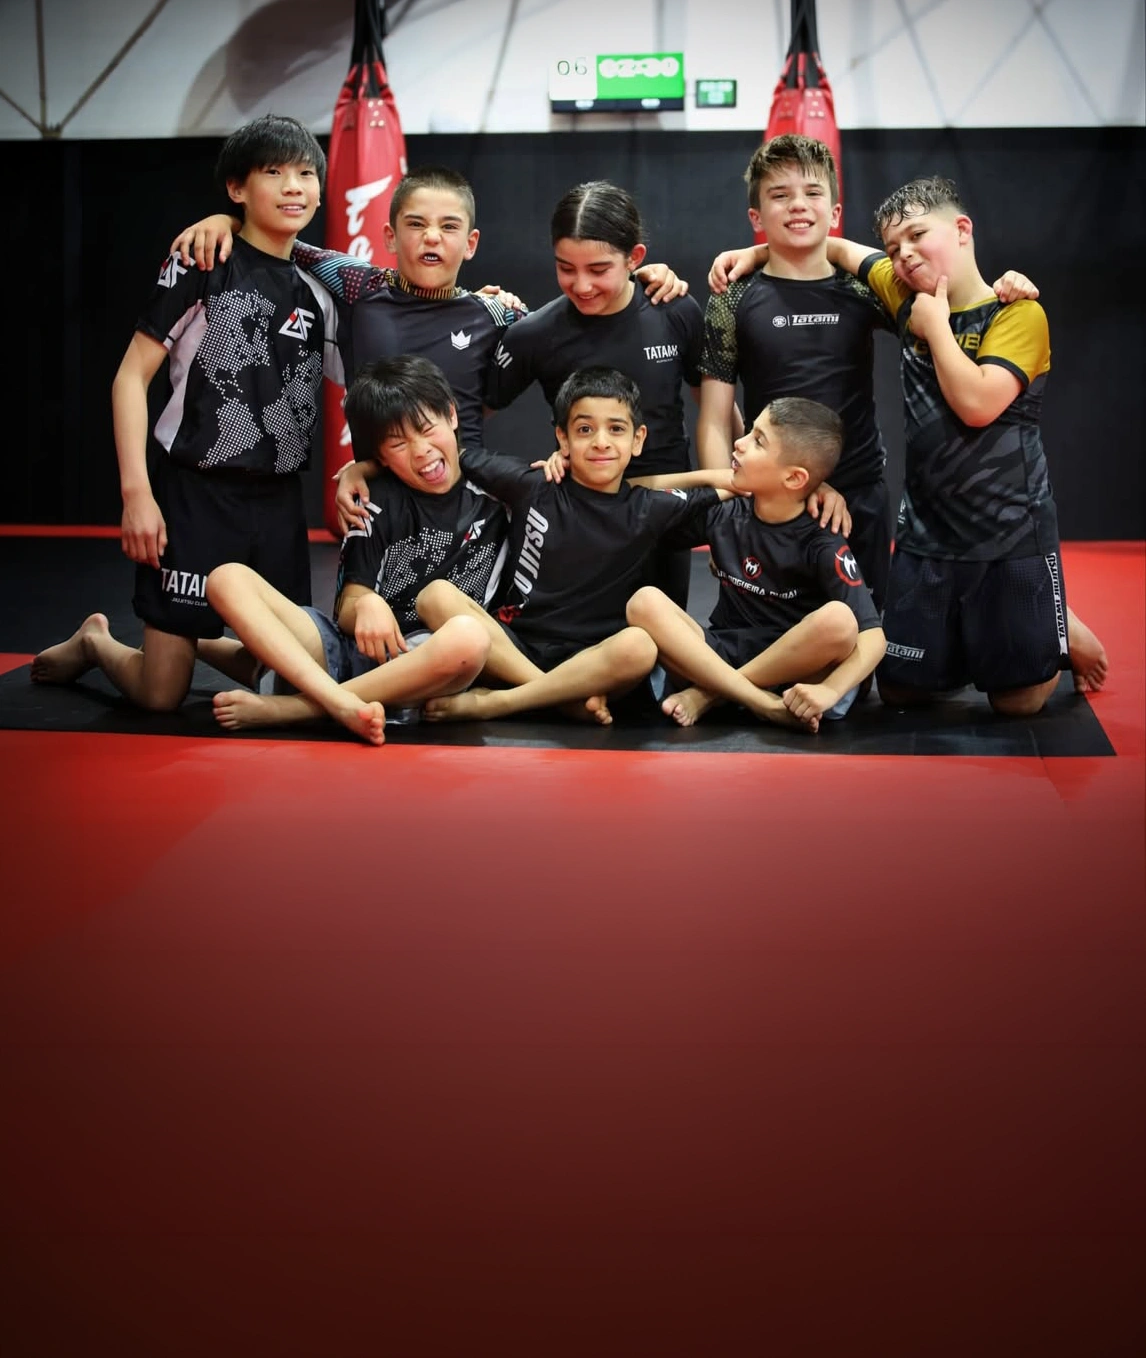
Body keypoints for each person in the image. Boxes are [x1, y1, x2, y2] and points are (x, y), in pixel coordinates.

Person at [727, 175, 1105, 715]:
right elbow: (833, 247)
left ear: (962, 230)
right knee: (902, 690)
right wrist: (756, 252)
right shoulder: (904, 294)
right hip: (928, 531)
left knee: (1017, 706)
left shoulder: (1018, 314)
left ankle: (1058, 624)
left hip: (1009, 533)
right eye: (892, 247)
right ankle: (1003, 633)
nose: (903, 254)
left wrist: (937, 328)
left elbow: (977, 405)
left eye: (917, 235)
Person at [171, 168, 685, 529]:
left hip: (470, 502)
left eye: (448, 227)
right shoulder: (358, 287)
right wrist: (228, 222)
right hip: (380, 500)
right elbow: (283, 242)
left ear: (471, 243)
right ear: (390, 236)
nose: (431, 238)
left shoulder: (498, 314)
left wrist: (644, 278)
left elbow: (579, 331)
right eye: (416, 225)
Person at [31, 114, 342, 710]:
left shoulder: (320, 287)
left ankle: (186, 641)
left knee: (288, 675)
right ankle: (97, 642)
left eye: (306, 173)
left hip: (278, 503)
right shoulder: (202, 260)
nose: (293, 186)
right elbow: (130, 378)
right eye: (273, 172)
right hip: (195, 495)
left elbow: (372, 372)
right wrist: (136, 496)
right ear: (236, 188)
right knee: (161, 695)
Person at [698, 134, 1037, 613]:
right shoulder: (733, 295)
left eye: (812, 193)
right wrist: (723, 515)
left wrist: (1008, 286)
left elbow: (953, 302)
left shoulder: (868, 287)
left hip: (859, 497)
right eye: (780, 195)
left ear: (835, 211)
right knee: (763, 637)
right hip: (769, 500)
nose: (798, 205)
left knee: (861, 640)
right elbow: (715, 417)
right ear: (756, 217)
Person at [204, 356, 509, 745]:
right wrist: (366, 604)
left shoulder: (501, 496)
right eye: (398, 443)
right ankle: (336, 702)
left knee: (469, 638)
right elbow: (348, 606)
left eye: (426, 429)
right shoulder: (372, 499)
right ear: (379, 456)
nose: (421, 451)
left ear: (451, 415)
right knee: (226, 578)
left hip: (429, 669)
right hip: (347, 655)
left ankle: (298, 708)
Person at [415, 367, 730, 725]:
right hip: (514, 650)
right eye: (584, 430)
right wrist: (365, 472)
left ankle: (501, 702)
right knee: (436, 596)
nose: (601, 442)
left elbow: (735, 485)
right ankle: (556, 697)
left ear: (638, 439)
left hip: (593, 664)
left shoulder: (650, 507)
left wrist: (709, 474)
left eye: (616, 429)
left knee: (640, 646)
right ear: (562, 439)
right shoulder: (532, 484)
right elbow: (448, 455)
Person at [479, 180, 720, 609]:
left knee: (664, 636)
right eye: (566, 268)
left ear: (635, 258)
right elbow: (467, 417)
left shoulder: (676, 311)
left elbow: (716, 412)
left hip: (666, 512)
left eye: (598, 269)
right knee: (587, 641)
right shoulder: (535, 334)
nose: (582, 285)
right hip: (582, 519)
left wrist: (728, 502)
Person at [627, 397, 885, 734]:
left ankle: (712, 695)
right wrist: (716, 476)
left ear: (794, 478)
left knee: (839, 621)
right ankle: (759, 702)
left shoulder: (821, 538)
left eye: (758, 441)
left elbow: (873, 637)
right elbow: (629, 493)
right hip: (719, 654)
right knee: (644, 602)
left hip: (792, 672)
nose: (739, 442)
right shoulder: (725, 511)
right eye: (749, 431)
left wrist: (830, 690)